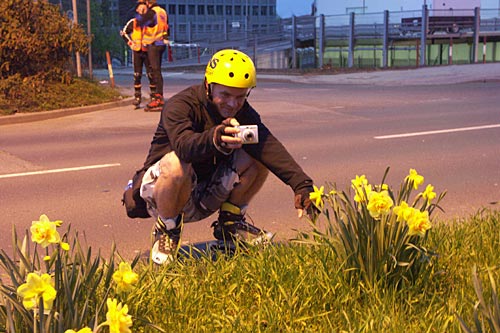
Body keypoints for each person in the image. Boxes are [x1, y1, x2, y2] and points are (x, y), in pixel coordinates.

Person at [138, 49, 315, 265]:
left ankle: (229, 226)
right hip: (161, 193)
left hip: (203, 193)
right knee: (176, 163)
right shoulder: (180, 105)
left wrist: (301, 184)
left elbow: (268, 145)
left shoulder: (241, 111)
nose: (232, 104)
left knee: (256, 149)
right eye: (226, 95)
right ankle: (167, 229)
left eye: (240, 96)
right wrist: (215, 138)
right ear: (208, 85)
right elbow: (184, 147)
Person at [135, 0, 169, 112]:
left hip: (153, 44)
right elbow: (166, 27)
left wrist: (141, 12)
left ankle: (158, 98)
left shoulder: (152, 13)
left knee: (155, 71)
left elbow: (140, 22)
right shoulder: (162, 11)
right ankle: (159, 97)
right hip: (160, 43)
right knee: (157, 71)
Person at [120, 16, 155, 108]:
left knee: (151, 74)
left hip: (148, 51)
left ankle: (154, 96)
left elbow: (157, 34)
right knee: (137, 75)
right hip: (137, 52)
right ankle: (137, 97)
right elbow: (123, 33)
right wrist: (131, 43)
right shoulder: (133, 22)